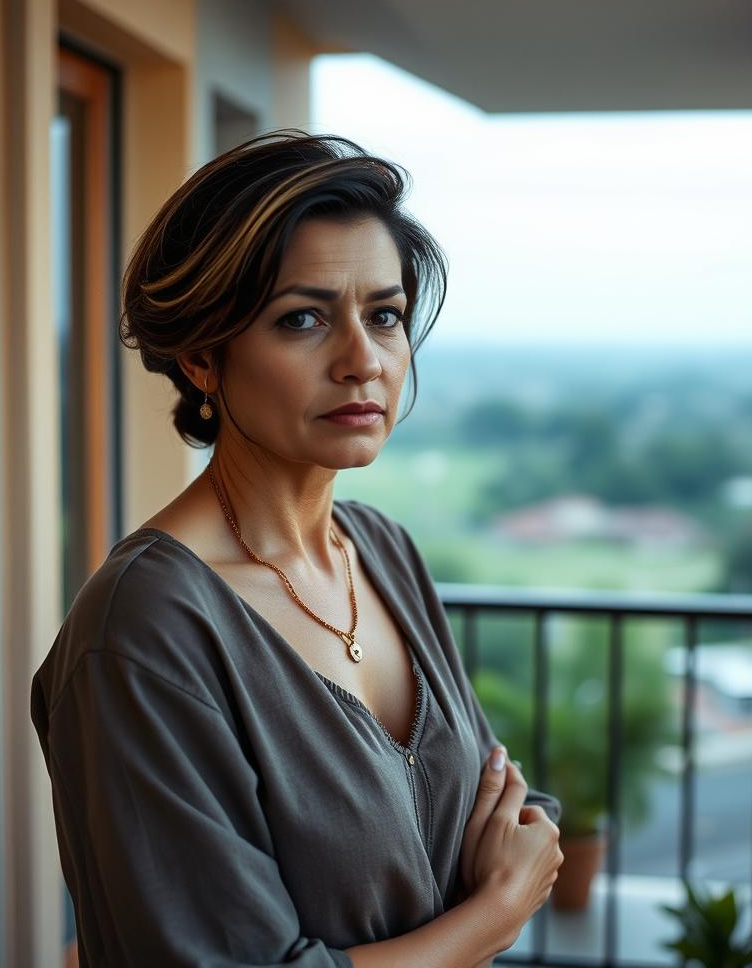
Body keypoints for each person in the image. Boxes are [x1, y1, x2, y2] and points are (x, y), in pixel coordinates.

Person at [30, 130, 563, 967]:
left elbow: (506, 810)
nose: (362, 361)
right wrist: (493, 915)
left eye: (384, 315)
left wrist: (506, 869)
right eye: (303, 319)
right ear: (204, 355)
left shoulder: (380, 549)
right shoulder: (144, 631)